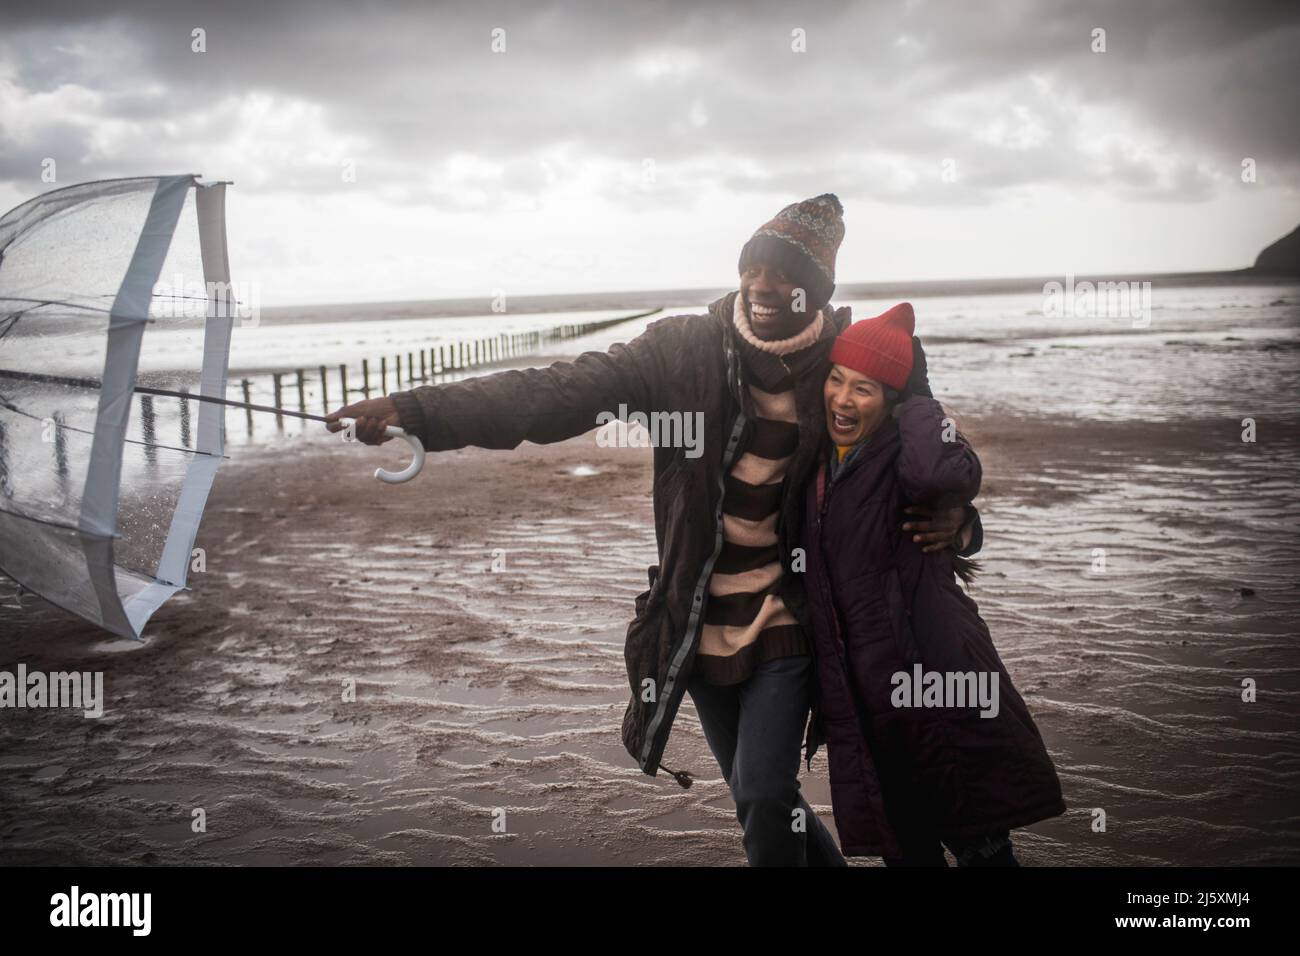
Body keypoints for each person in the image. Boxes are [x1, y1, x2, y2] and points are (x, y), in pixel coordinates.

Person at [326, 195, 984, 866]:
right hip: (692, 616)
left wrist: (958, 518)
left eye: (783, 277)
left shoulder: (842, 363)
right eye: (753, 267)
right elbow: (554, 392)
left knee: (761, 789)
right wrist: (418, 411)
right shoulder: (681, 350)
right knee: (763, 799)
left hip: (791, 617)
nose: (762, 287)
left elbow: (917, 453)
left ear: (813, 292)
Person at [800, 301, 1067, 866]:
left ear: (893, 401)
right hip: (865, 696)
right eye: (836, 379)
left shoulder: (905, 454)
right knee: (905, 845)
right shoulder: (818, 462)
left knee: (978, 839)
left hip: (938, 678)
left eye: (866, 389)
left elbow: (939, 474)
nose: (843, 400)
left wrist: (918, 393)